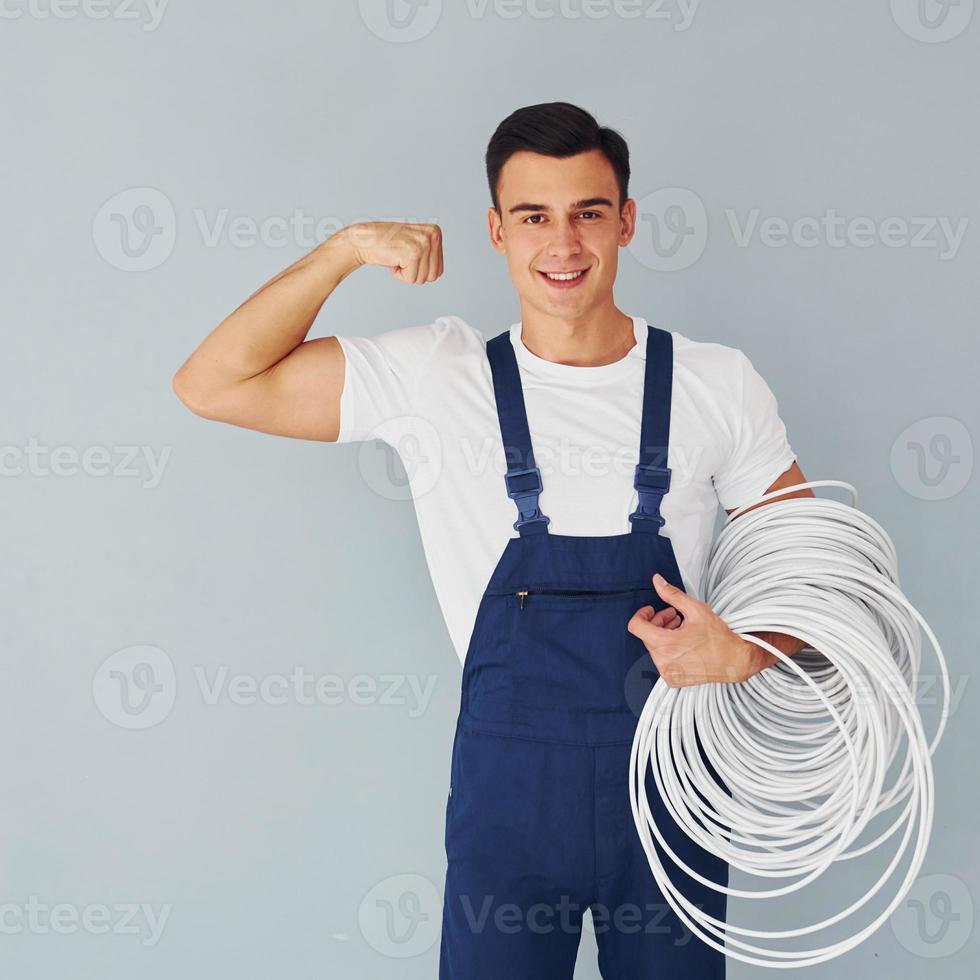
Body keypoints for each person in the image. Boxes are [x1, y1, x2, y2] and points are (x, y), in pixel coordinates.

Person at [173, 101, 812, 978]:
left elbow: (820, 579)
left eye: (589, 212)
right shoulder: (438, 375)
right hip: (512, 810)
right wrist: (345, 250)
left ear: (626, 221)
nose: (564, 243)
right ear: (495, 231)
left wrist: (745, 653)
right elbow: (213, 383)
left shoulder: (716, 383)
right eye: (533, 217)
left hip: (677, 792)